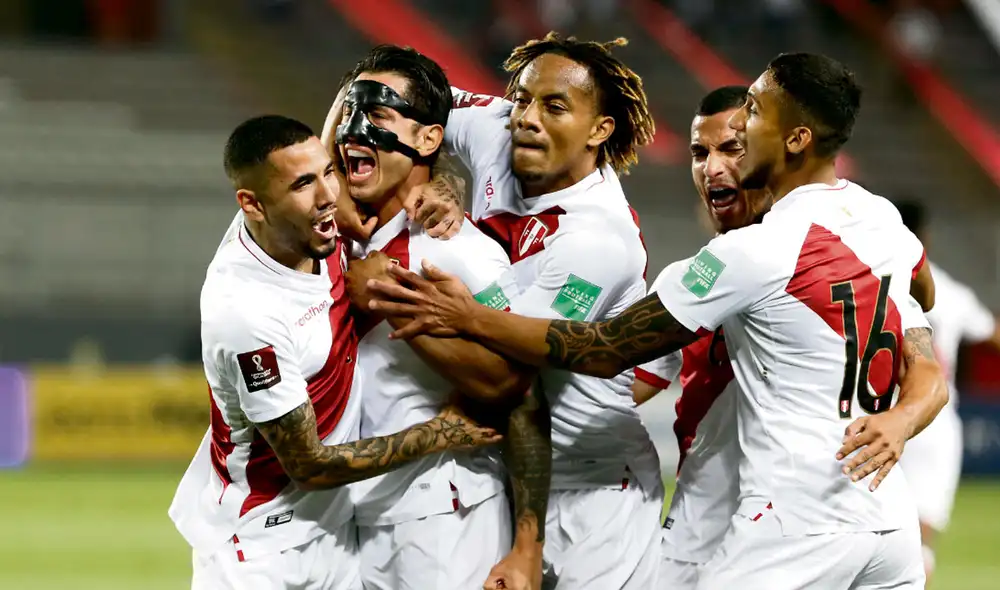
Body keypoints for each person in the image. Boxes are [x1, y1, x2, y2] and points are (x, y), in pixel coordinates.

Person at [366, 53, 950, 590]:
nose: (738, 132)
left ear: (796, 138)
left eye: (751, 114)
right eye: (705, 149)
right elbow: (916, 309)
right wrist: (898, 418)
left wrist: (467, 315)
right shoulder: (876, 220)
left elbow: (601, 349)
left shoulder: (752, 254)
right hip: (884, 522)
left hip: (792, 519)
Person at [167, 114, 501, 590]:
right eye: (305, 184)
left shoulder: (312, 225)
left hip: (338, 540)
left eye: (328, 172)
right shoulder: (245, 310)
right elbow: (310, 466)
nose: (329, 194)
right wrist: (439, 433)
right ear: (252, 205)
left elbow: (348, 103)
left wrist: (446, 183)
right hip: (262, 553)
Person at [434, 32, 663, 590]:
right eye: (522, 98)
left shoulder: (599, 237)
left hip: (594, 495)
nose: (527, 117)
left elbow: (516, 365)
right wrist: (433, 177)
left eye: (554, 106)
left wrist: (462, 306)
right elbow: (386, 98)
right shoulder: (498, 127)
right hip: (507, 473)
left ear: (599, 130)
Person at [324, 45, 535, 590]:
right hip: (354, 513)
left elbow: (512, 386)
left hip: (446, 515)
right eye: (349, 116)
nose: (354, 132)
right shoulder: (337, 232)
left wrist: (388, 297)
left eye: (377, 118)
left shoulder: (462, 251)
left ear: (427, 138)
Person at [631, 85, 766, 590]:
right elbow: (624, 383)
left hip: (799, 523)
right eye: (699, 152)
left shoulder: (824, 255)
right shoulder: (686, 282)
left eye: (731, 148)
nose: (711, 167)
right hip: (700, 522)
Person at [895, 200, 1000, 583]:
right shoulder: (945, 289)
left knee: (875, 536)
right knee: (921, 542)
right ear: (925, 236)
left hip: (881, 418)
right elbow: (992, 334)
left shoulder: (868, 284)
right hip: (935, 419)